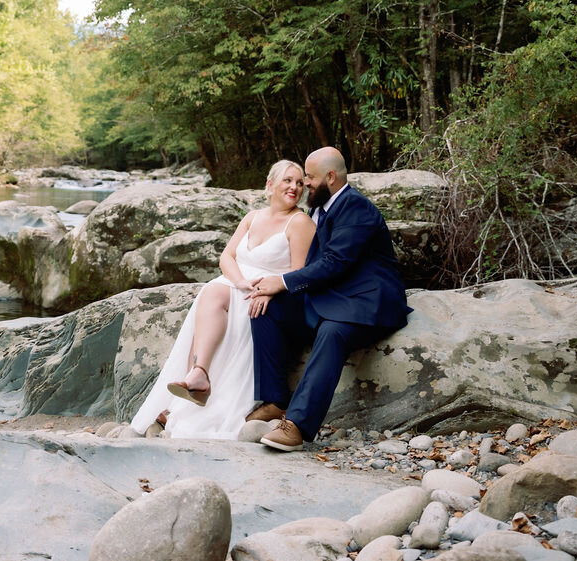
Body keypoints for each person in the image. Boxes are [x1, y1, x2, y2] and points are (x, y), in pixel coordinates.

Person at [129, 160, 315, 439]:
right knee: (212, 291)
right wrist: (239, 282)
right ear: (270, 185)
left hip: (268, 294)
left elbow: (301, 273)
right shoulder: (252, 217)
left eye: (300, 183)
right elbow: (226, 257)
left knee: (223, 298)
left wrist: (268, 289)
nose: (295, 187)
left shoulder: (299, 222)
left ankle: (196, 394)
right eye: (288, 180)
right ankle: (199, 373)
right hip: (239, 285)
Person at [245, 146, 410, 451]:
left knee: (331, 332)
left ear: (330, 177)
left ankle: (296, 426)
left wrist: (282, 281)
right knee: (266, 307)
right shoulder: (319, 208)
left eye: (309, 177)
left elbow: (335, 262)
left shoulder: (355, 207)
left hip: (367, 302)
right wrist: (273, 287)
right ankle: (274, 399)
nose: (304, 183)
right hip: (332, 297)